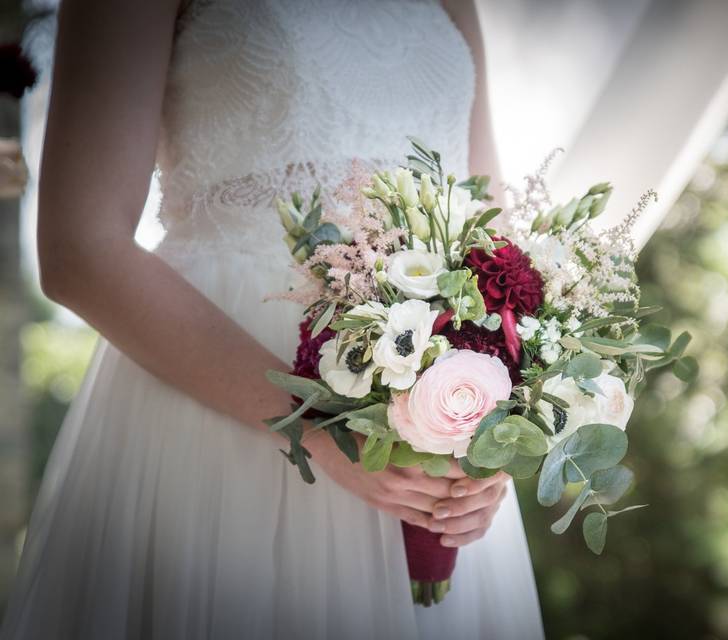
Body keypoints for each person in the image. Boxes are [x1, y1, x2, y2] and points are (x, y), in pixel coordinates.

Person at [0, 1, 544, 638]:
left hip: (429, 434)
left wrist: (501, 438)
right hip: (223, 416)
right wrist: (314, 431)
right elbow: (79, 249)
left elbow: (492, 238)